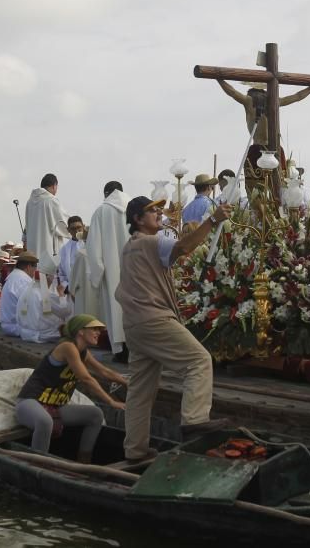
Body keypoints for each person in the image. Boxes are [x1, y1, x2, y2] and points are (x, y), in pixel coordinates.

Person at [116, 196, 232, 462]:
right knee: (199, 361)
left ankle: (135, 450)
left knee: (140, 390)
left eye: (158, 209)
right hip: (154, 319)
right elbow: (184, 246)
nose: (158, 213)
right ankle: (194, 419)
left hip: (133, 325)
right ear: (137, 219)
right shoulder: (151, 242)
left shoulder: (128, 247)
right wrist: (212, 220)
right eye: (151, 210)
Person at [14, 315, 127, 462]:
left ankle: (83, 461)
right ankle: (37, 465)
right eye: (94, 329)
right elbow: (86, 379)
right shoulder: (67, 347)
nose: (98, 333)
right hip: (30, 402)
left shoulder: (83, 352)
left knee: (95, 415)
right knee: (45, 422)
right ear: (80, 331)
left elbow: (105, 372)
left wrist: (126, 383)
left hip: (55, 407)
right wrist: (111, 402)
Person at [87, 181, 131, 359]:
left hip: (112, 272)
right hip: (134, 268)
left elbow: (93, 247)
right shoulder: (134, 206)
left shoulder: (101, 212)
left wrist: (97, 275)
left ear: (105, 193)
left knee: (115, 309)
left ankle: (121, 352)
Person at [216, 81, 310, 146]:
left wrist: (219, 79)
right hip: (275, 148)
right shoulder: (275, 101)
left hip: (259, 148)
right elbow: (298, 96)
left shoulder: (248, 101)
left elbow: (232, 92)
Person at [24, 174, 71, 277]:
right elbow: (66, 225)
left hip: (33, 260)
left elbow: (26, 229)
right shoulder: (51, 201)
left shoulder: (29, 202)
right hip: (49, 258)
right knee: (50, 289)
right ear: (54, 186)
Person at [18, 274, 73, 343]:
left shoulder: (26, 291)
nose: (52, 281)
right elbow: (66, 311)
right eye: (52, 278)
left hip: (25, 334)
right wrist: (61, 294)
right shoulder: (44, 294)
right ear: (47, 278)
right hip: (44, 335)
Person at [0, 251, 38, 337]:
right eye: (35, 268)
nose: (35, 271)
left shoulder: (14, 277)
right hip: (15, 326)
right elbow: (32, 306)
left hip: (8, 325)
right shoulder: (24, 281)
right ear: (28, 267)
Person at [57, 216, 85, 290]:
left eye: (79, 227)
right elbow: (61, 273)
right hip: (71, 291)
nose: (76, 231)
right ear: (68, 230)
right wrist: (68, 287)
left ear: (84, 227)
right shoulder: (64, 250)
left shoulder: (90, 244)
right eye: (73, 229)